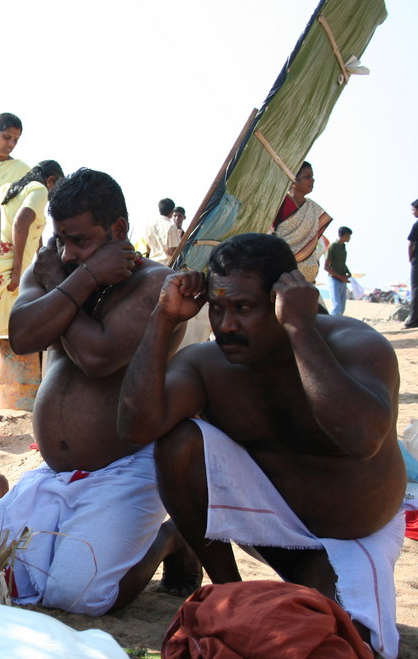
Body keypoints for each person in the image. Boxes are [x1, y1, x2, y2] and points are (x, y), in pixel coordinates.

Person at [118, 232, 406, 657]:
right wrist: (163, 319)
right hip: (268, 525)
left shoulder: (356, 345)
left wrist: (300, 328)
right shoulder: (208, 364)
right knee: (177, 442)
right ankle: (231, 593)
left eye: (244, 308)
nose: (226, 325)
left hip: (349, 535)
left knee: (322, 640)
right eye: (217, 308)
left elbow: (362, 439)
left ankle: (298, 591)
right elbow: (137, 427)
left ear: (281, 300)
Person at [0, 168, 196, 615]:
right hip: (53, 469)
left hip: (126, 465)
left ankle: (172, 537)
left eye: (82, 241)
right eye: (62, 240)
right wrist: (81, 277)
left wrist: (69, 283)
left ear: (119, 231)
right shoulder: (61, 265)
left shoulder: (157, 284)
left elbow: (99, 357)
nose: (69, 253)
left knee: (79, 596)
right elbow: (22, 335)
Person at [0, 160, 64, 410]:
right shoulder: (39, 190)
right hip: (10, 271)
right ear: (51, 181)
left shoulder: (9, 189)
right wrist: (19, 270)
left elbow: (32, 231)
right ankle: (16, 401)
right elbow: (21, 223)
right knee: (13, 331)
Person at [271, 161, 332, 283]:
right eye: (307, 177)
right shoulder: (280, 204)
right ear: (293, 180)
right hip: (280, 270)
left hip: (307, 276)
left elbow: (315, 242)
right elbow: (269, 234)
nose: (312, 180)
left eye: (312, 176)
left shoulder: (314, 209)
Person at [142, 198, 181, 265]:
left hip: (152, 264)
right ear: (172, 211)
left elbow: (148, 248)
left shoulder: (150, 224)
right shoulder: (171, 226)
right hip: (166, 265)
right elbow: (172, 252)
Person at [324, 226, 352, 316]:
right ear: (344, 235)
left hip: (342, 280)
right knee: (336, 306)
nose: (349, 238)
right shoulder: (333, 247)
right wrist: (340, 277)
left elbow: (342, 263)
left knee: (342, 307)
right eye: (348, 236)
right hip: (334, 280)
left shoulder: (343, 247)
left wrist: (348, 272)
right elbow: (326, 267)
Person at [405, 199, 418, 328]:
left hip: (417, 260)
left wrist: (410, 258)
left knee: (415, 289)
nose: (412, 212)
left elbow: (411, 244)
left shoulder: (416, 225)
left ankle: (413, 320)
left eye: (414, 210)